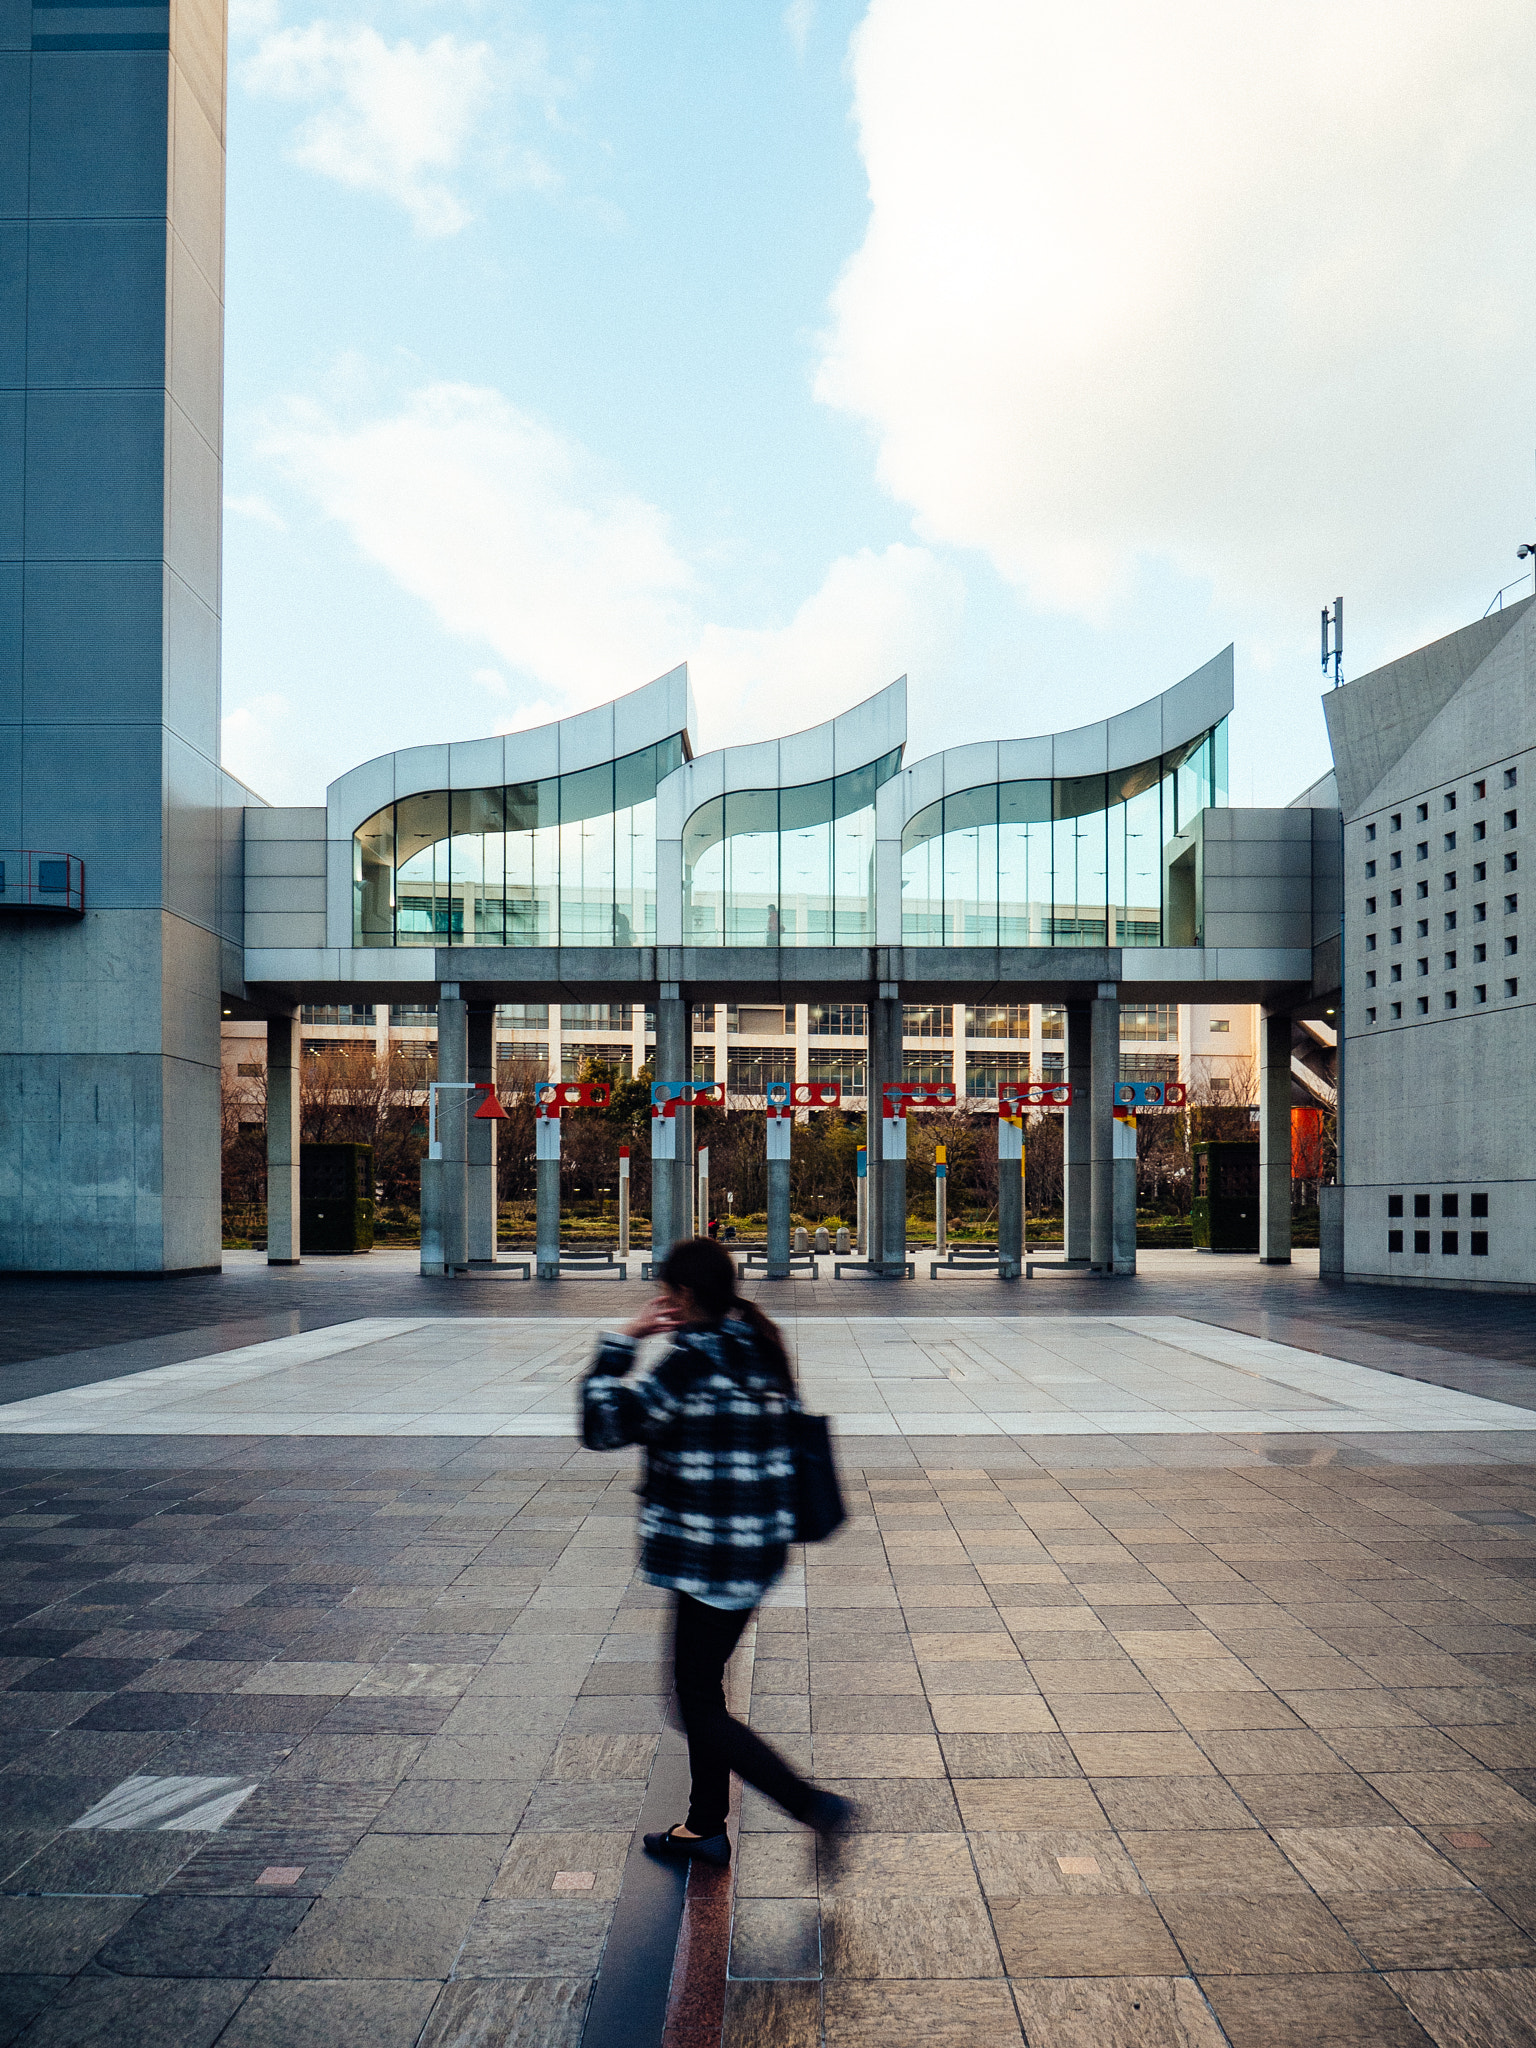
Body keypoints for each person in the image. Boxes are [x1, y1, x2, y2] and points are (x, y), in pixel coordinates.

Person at [581, 1237, 855, 1868]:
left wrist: (625, 1338)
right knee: (703, 1690)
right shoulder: (758, 1345)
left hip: (709, 1560)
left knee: (695, 1703)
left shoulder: (690, 1362)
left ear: (681, 1296)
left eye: (664, 1290)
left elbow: (602, 1425)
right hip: (755, 1553)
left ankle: (813, 1806)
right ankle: (704, 1825)